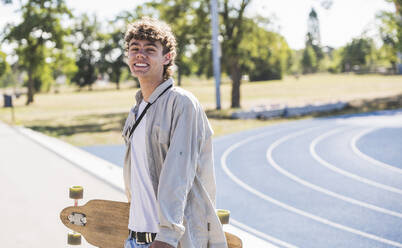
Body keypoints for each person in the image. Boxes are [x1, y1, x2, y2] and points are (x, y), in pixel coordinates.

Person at [121, 17, 228, 248]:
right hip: (135, 238)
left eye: (150, 50)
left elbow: (179, 174)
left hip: (171, 242)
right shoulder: (137, 110)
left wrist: (167, 237)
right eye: (134, 49)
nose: (140, 54)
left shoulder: (181, 103)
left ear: (167, 57)